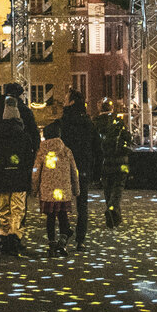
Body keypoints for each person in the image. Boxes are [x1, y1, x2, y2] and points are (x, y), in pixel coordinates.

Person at [0, 96, 36, 256]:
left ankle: (4, 235)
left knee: (3, 207)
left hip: (2, 176)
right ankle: (15, 236)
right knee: (17, 208)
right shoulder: (23, 136)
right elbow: (29, 158)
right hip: (19, 177)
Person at [57, 90, 101, 251]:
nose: (63, 101)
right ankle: (80, 239)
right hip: (83, 167)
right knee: (82, 205)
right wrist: (96, 170)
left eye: (66, 99)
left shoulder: (64, 122)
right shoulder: (88, 123)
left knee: (62, 202)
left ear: (72, 102)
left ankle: (64, 232)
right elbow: (97, 147)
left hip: (65, 168)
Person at [32, 120, 79, 256]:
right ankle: (63, 241)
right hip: (63, 191)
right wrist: (76, 189)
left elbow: (36, 171)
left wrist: (34, 189)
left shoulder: (42, 151)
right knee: (63, 216)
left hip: (47, 191)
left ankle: (52, 244)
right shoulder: (66, 151)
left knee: (50, 218)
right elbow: (74, 171)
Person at [96, 99, 132, 228]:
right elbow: (128, 137)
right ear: (111, 109)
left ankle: (113, 217)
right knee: (118, 188)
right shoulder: (119, 122)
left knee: (107, 188)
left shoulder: (97, 123)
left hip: (104, 161)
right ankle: (113, 210)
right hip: (121, 160)